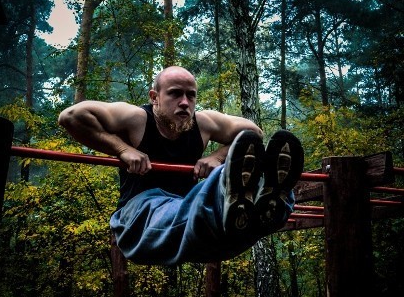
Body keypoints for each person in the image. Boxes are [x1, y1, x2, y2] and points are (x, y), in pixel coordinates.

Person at [58, 66, 304, 265]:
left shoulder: (203, 123)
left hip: (195, 222)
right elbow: (71, 116)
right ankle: (234, 198)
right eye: (175, 93)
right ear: (155, 97)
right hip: (141, 219)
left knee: (232, 207)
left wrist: (216, 157)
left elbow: (253, 132)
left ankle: (269, 206)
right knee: (212, 188)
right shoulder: (137, 119)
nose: (185, 102)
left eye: (191, 95)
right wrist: (123, 149)